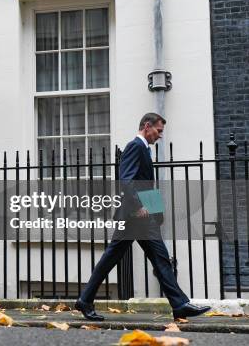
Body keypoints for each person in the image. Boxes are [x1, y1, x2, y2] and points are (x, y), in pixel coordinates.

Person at [74, 113, 210, 321]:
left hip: (141, 218)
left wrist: (156, 213)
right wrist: (138, 206)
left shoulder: (144, 148)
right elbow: (125, 179)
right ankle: (180, 304)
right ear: (147, 126)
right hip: (134, 216)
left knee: (156, 258)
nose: (160, 135)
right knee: (143, 258)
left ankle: (179, 304)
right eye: (159, 130)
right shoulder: (136, 146)